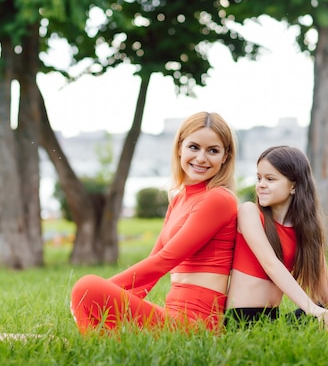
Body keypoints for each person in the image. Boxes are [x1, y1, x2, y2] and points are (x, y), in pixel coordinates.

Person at [70, 111, 238, 334]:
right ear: (180, 148)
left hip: (196, 327)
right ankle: (101, 344)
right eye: (194, 147)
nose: (201, 158)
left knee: (86, 286)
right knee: (90, 294)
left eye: (213, 151)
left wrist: (97, 291)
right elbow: (152, 265)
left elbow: (165, 260)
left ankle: (97, 344)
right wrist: (108, 300)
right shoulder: (179, 199)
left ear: (225, 156)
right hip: (172, 316)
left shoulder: (218, 198)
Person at [225, 145, 328, 330]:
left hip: (273, 321)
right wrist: (312, 310)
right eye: (259, 178)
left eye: (270, 179)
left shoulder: (307, 231)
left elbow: (324, 290)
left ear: (293, 185)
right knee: (319, 314)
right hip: (241, 322)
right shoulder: (250, 212)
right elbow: (271, 264)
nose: (261, 184)